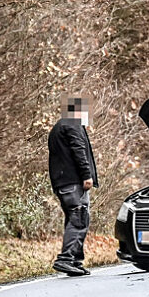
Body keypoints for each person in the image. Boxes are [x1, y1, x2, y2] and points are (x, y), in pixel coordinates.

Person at [48, 96, 99, 276]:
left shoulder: (58, 127)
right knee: (79, 218)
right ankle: (66, 259)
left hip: (62, 182)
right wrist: (87, 175)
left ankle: (75, 261)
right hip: (74, 182)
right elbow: (79, 150)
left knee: (75, 219)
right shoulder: (72, 124)